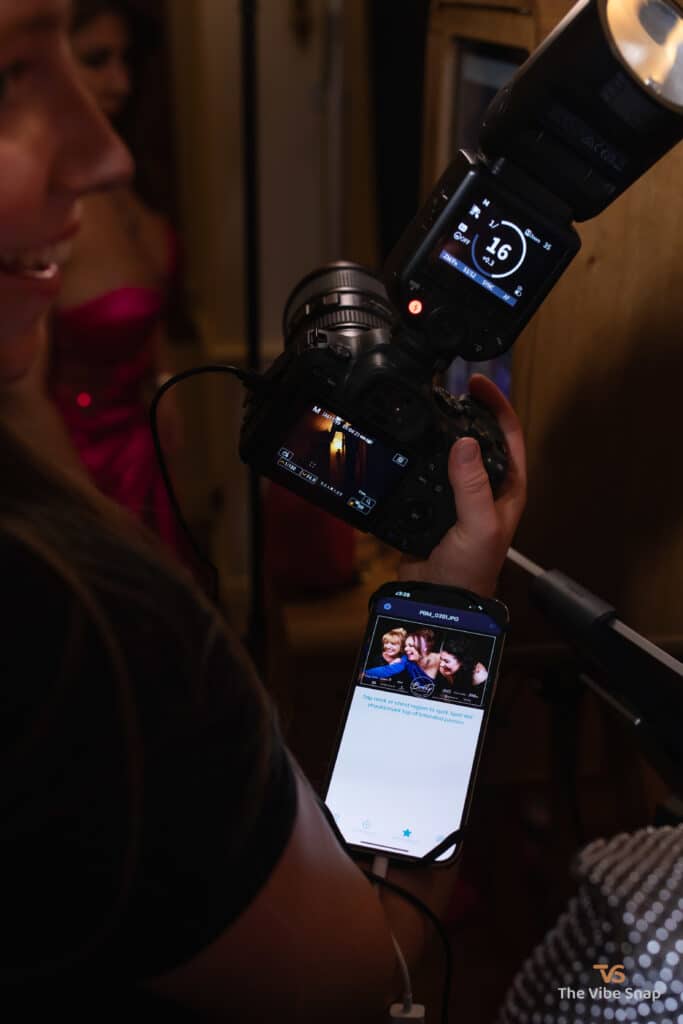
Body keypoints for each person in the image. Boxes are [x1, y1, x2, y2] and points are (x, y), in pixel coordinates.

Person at [0, 1, 527, 1019]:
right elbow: (371, 956)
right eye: (13, 75)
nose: (106, 152)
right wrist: (442, 608)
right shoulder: (66, 634)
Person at [46, 0, 189, 562]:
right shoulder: (42, 213)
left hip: (144, 455)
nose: (120, 82)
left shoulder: (125, 175)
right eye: (98, 60)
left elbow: (150, 313)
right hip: (81, 471)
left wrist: (162, 377)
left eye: (125, 59)